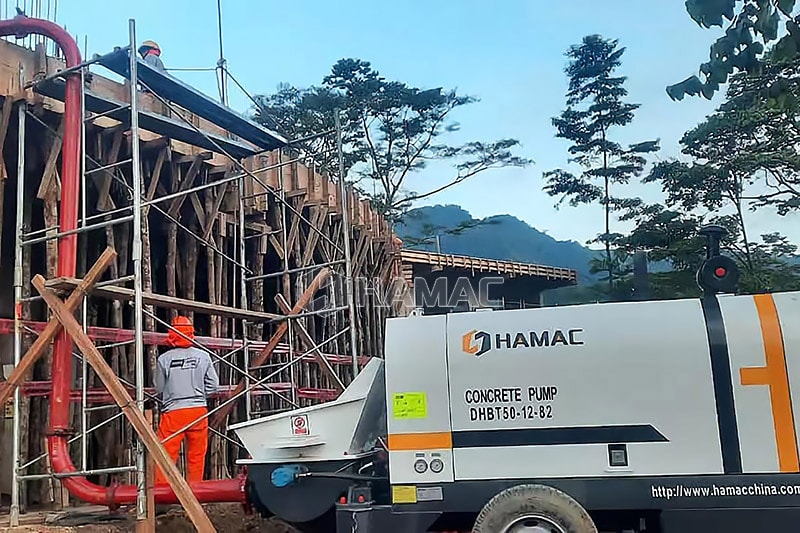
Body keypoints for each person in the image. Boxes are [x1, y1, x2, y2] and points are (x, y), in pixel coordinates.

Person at [154, 315, 219, 485]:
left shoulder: (164, 359)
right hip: (198, 412)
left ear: (171, 333)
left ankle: (162, 497)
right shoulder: (204, 356)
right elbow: (214, 386)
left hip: (173, 413)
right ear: (191, 333)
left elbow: (159, 388)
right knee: (197, 455)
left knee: (166, 455)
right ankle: (194, 494)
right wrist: (198, 394)